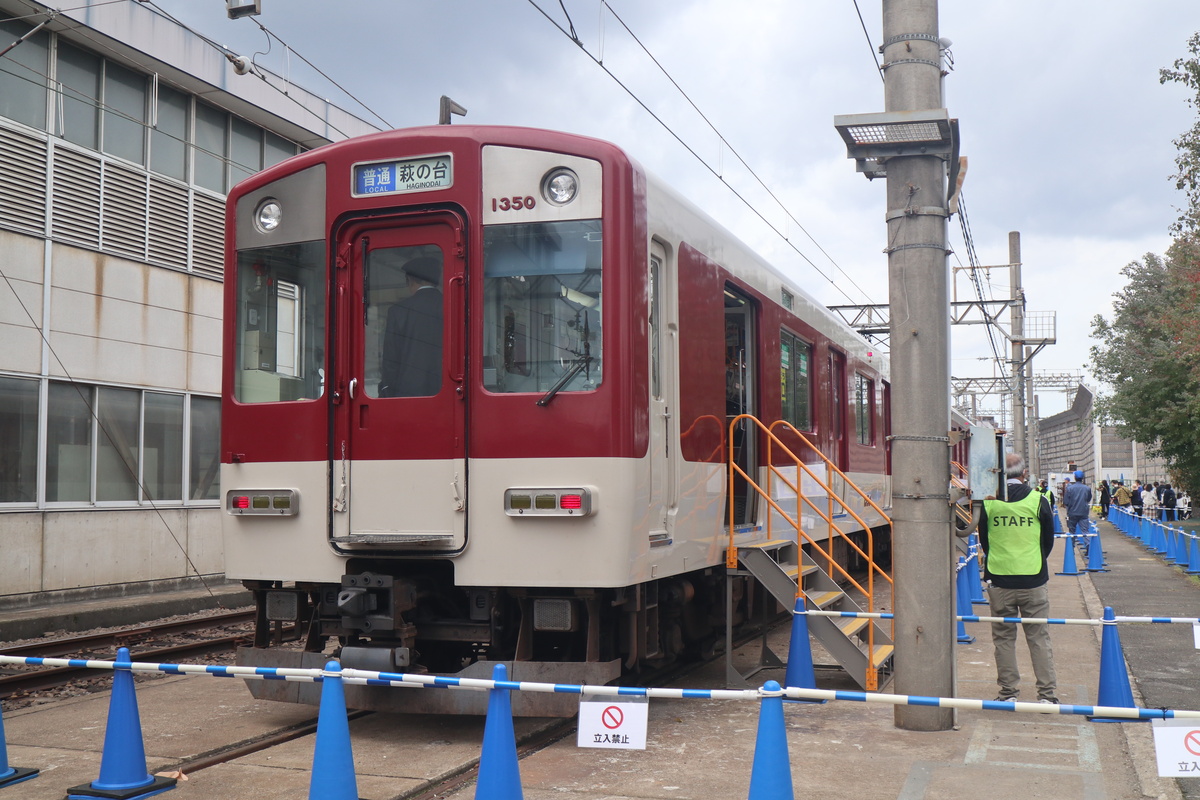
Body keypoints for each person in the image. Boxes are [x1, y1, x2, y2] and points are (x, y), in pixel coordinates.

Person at [979, 452, 1058, 704]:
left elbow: (984, 541)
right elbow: (1048, 540)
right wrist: (1035, 560)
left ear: (1000, 474)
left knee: (1003, 638)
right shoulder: (1038, 500)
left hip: (999, 580)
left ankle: (1008, 694)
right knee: (1038, 637)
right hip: (1033, 579)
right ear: (1024, 474)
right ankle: (1047, 696)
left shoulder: (989, 503)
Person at [379, 256, 443, 398]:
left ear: (411, 280)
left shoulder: (398, 311)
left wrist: (388, 392)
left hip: (408, 393)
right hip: (449, 391)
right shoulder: (453, 307)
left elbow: (391, 359)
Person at [1063, 470, 1092, 536]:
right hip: (1084, 513)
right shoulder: (1087, 488)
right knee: (1085, 531)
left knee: (1072, 532)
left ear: (1074, 477)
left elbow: (1066, 502)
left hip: (1072, 513)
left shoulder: (1070, 488)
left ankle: (1072, 545)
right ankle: (1088, 545)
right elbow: (1088, 499)